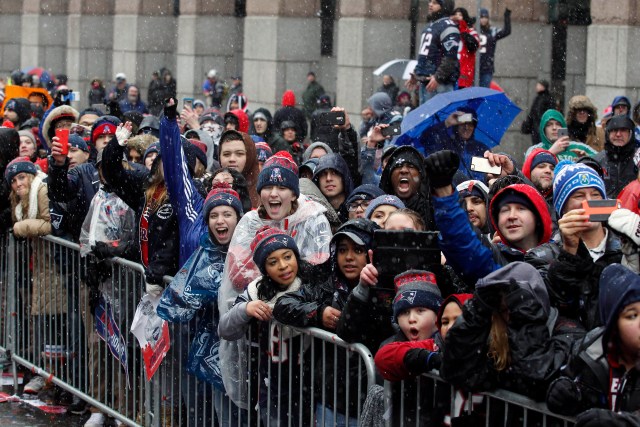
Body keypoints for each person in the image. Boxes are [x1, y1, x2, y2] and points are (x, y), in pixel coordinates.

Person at [273, 219, 378, 426]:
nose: (348, 257)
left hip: (369, 398)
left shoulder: (383, 290)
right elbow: (283, 305)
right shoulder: (326, 286)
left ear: (371, 253)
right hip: (331, 399)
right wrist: (318, 313)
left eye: (357, 250)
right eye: (342, 250)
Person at [157, 182, 244, 426]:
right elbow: (176, 300)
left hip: (238, 351)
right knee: (205, 414)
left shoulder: (247, 252)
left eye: (227, 214)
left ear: (238, 217)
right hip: (202, 348)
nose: (220, 221)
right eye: (214, 215)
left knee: (232, 415)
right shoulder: (203, 252)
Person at [441, 262, 578, 401]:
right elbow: (458, 373)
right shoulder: (499, 341)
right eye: (503, 310)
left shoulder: (567, 332)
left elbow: (536, 380)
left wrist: (526, 320)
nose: (509, 317)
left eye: (516, 308)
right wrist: (477, 314)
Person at [218, 226, 313, 426]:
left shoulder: (311, 286)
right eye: (273, 262)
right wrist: (244, 309)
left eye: (287, 257)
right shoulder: (255, 291)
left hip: (309, 383)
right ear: (264, 269)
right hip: (270, 384)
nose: (283, 266)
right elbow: (225, 329)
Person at [425, 150, 551, 285]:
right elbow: (463, 243)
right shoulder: (493, 261)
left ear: (538, 215)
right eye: (504, 210)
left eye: (521, 208)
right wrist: (445, 195)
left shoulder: (562, 253)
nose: (512, 216)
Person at [6, 157, 69, 404]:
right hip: (42, 269)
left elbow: (49, 224)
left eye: (21, 177)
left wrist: (21, 227)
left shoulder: (41, 190)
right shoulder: (23, 200)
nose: (17, 183)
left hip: (55, 268)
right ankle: (48, 377)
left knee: (56, 327)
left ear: (31, 175)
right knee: (46, 326)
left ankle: (57, 380)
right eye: (13, 180)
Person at [546, 264, 640, 427]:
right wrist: (565, 392)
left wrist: (623, 423)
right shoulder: (591, 351)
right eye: (632, 315)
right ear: (612, 324)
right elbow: (578, 388)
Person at [536, 161, 621, 330]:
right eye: (579, 196)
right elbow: (555, 304)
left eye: (596, 195)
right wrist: (569, 252)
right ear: (563, 208)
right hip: (574, 348)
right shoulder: (542, 255)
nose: (588, 202)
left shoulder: (625, 246)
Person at [406, 0, 460, 104]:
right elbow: (424, 56)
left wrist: (438, 77)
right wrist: (417, 73)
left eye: (435, 2)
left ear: (444, 6)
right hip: (426, 81)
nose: (430, 4)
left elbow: (450, 58)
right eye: (430, 1)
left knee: (439, 117)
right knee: (426, 118)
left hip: (439, 84)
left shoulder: (449, 27)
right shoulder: (430, 26)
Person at [379, 145, 433, 229]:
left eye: (411, 166)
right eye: (398, 166)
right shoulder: (378, 207)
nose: (404, 170)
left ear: (421, 175)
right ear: (389, 176)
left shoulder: (434, 207)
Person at [526, 109, 597, 162]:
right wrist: (550, 153)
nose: (554, 128)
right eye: (549, 125)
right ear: (543, 129)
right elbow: (528, 168)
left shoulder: (579, 147)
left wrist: (587, 159)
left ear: (563, 127)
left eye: (558, 124)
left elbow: (602, 160)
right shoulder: (535, 150)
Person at [595, 114, 638, 198]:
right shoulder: (598, 160)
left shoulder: (638, 159)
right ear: (608, 133)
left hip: (632, 207)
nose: (618, 134)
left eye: (623, 130)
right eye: (614, 130)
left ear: (630, 133)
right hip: (605, 207)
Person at [217, 129, 260, 208]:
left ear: (249, 156)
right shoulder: (210, 187)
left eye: (239, 154)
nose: (232, 159)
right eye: (226, 154)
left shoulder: (263, 190)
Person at [313, 153, 354, 223]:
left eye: (334, 173)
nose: (328, 178)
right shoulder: (313, 214)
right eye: (323, 174)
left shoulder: (356, 209)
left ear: (344, 177)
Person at [478, 8, 511, 88]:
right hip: (474, 67)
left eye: (485, 17)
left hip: (487, 68)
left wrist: (506, 15)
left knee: (483, 93)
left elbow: (506, 31)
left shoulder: (492, 31)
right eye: (481, 17)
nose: (483, 19)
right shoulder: (474, 30)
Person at [451, 8, 480, 89]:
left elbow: (473, 46)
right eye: (455, 15)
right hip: (450, 74)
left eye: (460, 15)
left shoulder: (471, 32)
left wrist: (462, 27)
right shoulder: (450, 32)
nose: (457, 17)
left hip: (464, 74)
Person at [521, 80, 556, 145]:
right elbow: (533, 113)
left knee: (540, 145)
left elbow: (535, 113)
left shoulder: (544, 98)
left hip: (539, 127)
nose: (537, 87)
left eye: (539, 85)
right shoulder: (539, 98)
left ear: (543, 86)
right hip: (537, 127)